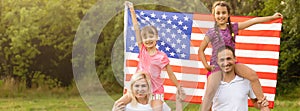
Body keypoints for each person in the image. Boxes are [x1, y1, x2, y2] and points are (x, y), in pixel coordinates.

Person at [198, 1, 282, 111]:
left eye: (223, 13)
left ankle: (263, 103)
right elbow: (200, 50)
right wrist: (207, 66)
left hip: (231, 62)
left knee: (252, 75)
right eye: (218, 13)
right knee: (209, 94)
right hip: (217, 66)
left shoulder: (233, 28)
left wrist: (272, 17)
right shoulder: (212, 32)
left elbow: (253, 21)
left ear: (228, 15)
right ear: (214, 15)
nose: (221, 16)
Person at [114, 2, 185, 111]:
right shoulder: (142, 50)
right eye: (145, 37)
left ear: (157, 38)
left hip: (156, 90)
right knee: (117, 104)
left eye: (151, 36)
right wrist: (132, 10)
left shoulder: (162, 56)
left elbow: (170, 74)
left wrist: (178, 86)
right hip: (139, 86)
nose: (148, 40)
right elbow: (137, 29)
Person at [211, 45, 270, 111]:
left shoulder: (246, 81)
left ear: (235, 59)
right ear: (217, 62)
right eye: (222, 60)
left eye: (228, 59)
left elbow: (255, 102)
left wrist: (262, 105)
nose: (226, 63)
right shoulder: (211, 82)